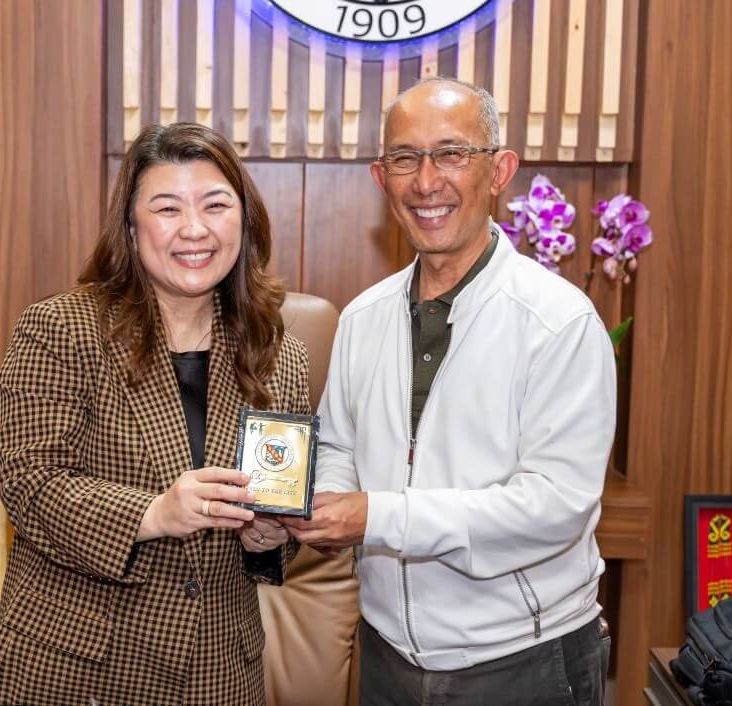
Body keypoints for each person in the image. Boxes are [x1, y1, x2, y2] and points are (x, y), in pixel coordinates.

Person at [282, 77, 616, 706]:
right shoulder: (361, 318)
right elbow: (337, 449)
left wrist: (378, 516)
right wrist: (313, 507)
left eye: (452, 153)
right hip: (387, 653)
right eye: (405, 158)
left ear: (499, 171)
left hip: (521, 660)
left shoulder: (558, 322)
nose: (426, 180)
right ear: (383, 180)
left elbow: (554, 507)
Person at [0, 122, 308, 706]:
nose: (194, 229)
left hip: (218, 670)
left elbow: (275, 514)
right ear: (131, 225)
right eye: (167, 208)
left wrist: (270, 536)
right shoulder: (60, 329)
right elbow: (28, 483)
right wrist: (154, 512)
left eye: (216, 205)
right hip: (78, 669)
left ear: (244, 222)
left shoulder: (279, 355)